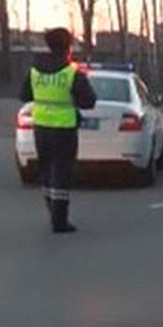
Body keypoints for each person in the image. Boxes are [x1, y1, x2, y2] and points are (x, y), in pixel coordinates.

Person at [19, 28, 96, 233]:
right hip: (64, 129)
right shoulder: (72, 72)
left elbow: (24, 95)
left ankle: (52, 211)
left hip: (41, 127)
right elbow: (89, 101)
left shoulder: (34, 71)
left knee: (46, 171)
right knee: (62, 173)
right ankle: (59, 220)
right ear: (68, 46)